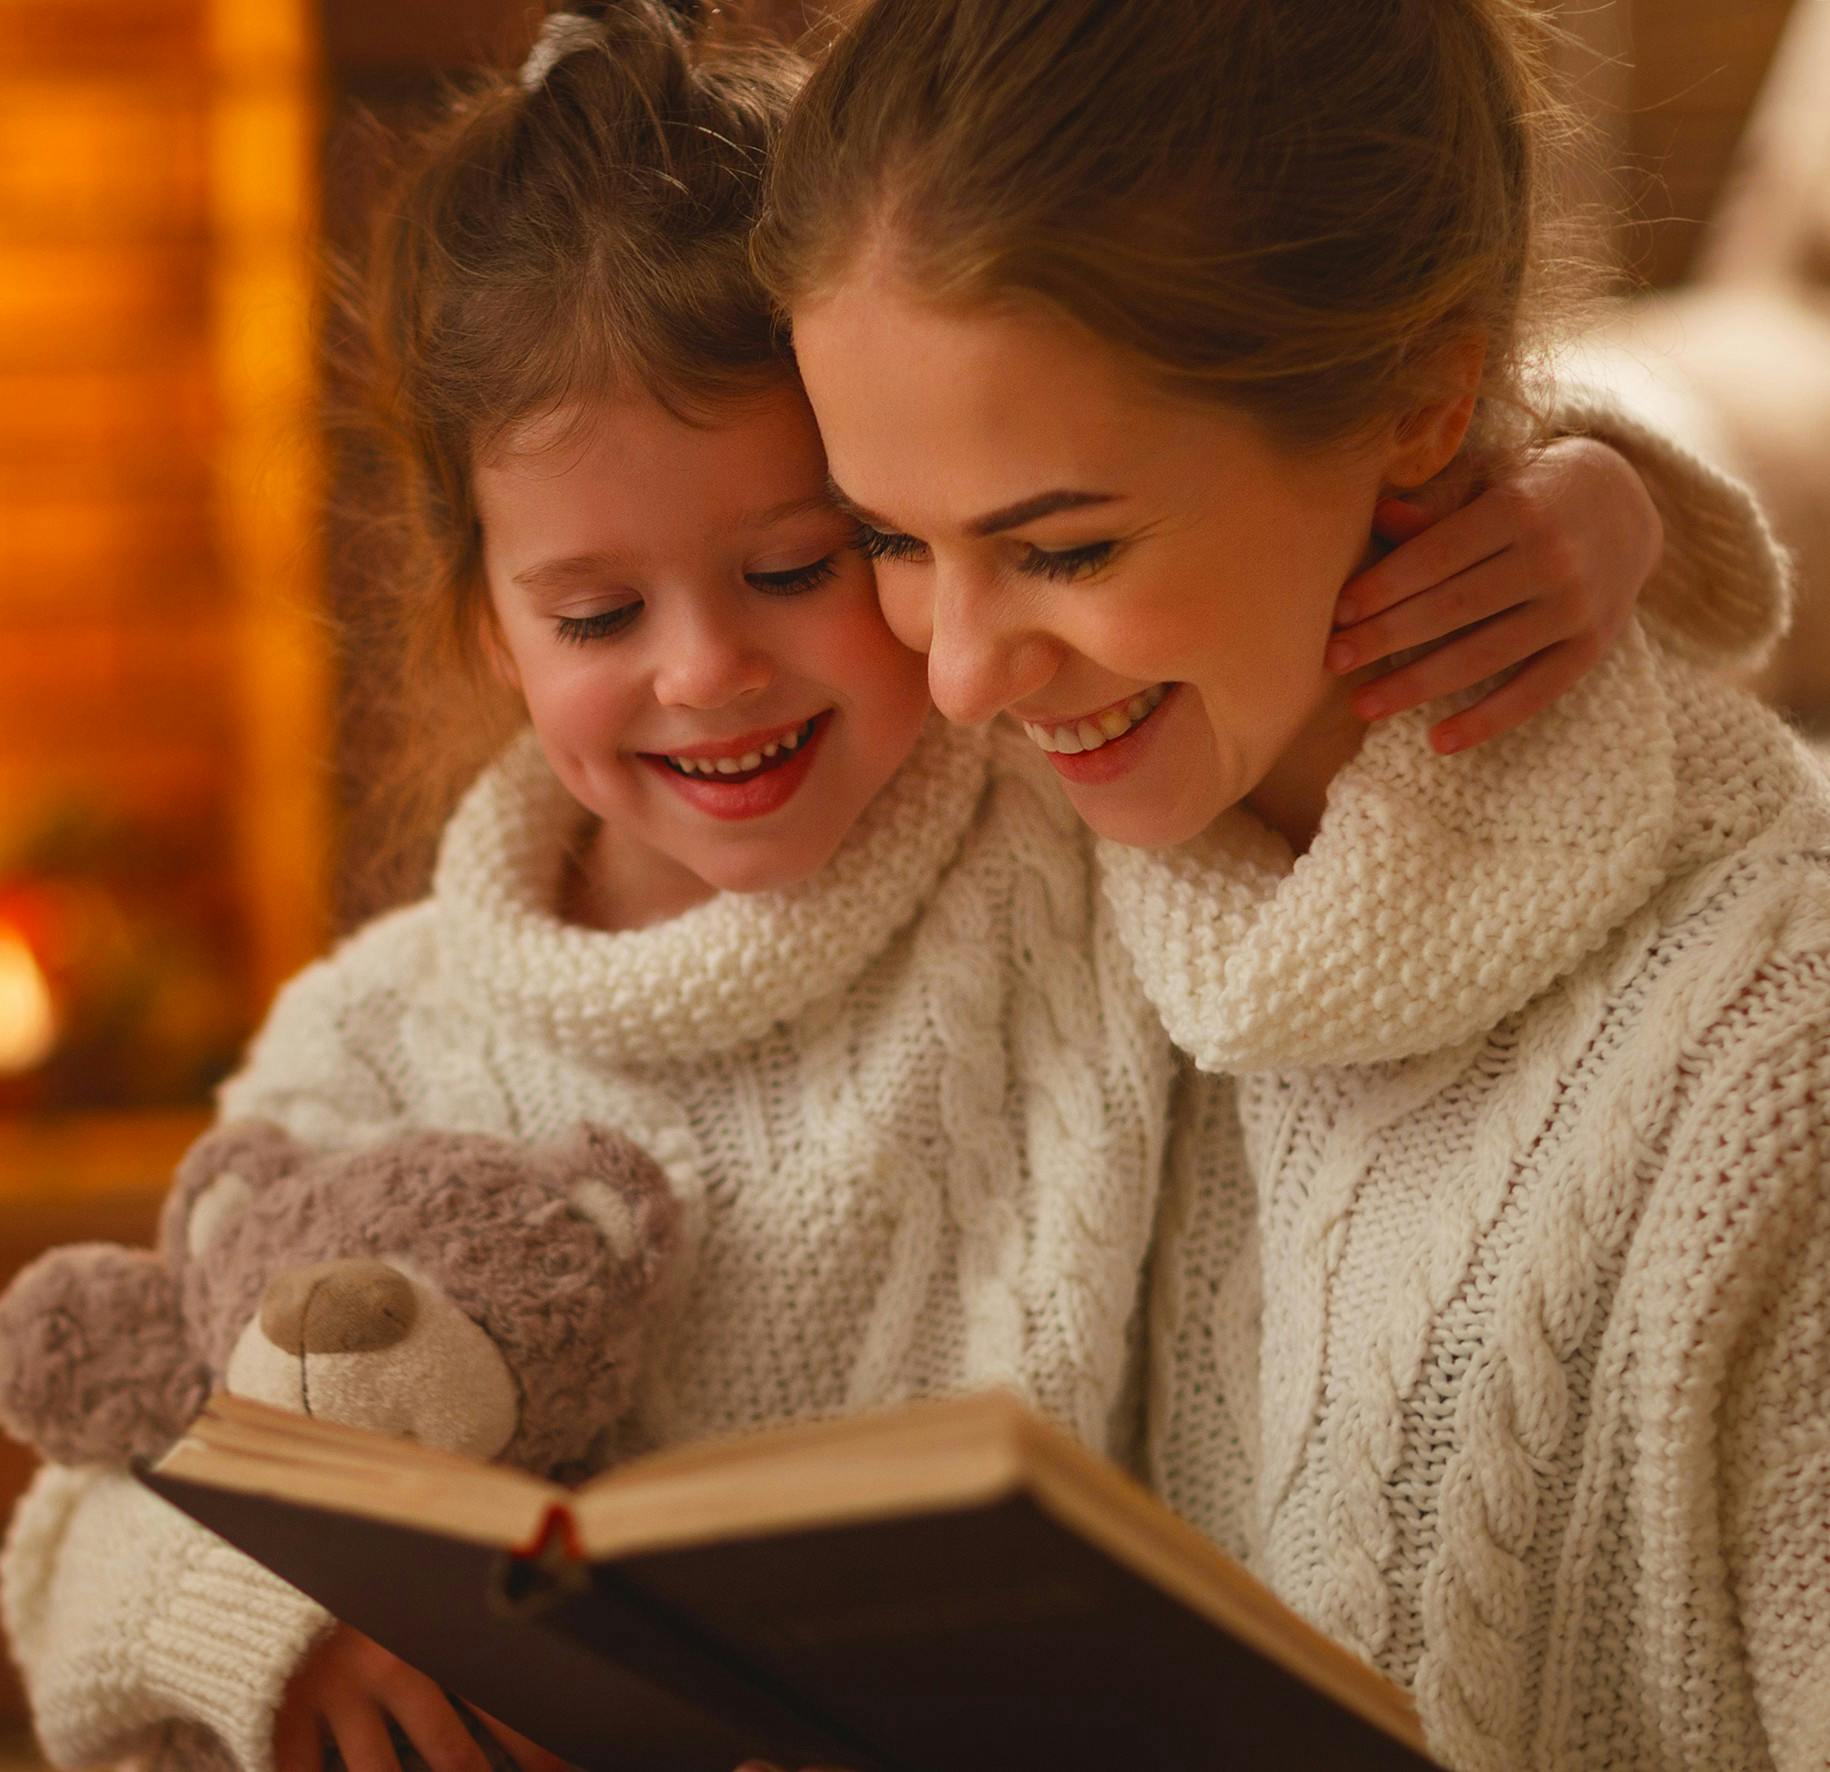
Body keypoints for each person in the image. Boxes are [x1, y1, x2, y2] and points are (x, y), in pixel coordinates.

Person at [0, 4, 1792, 1771]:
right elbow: (107, 1479)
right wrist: (268, 1620)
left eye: (805, 562)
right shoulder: (382, 1027)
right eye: (600, 615)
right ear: (484, 622)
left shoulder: (1044, 836)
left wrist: (1594, 497)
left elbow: (1305, 539)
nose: (716, 672)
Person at [756, 2, 1830, 1768]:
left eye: (1064, 547)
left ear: (1423, 399)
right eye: (888, 538)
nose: (956, 679)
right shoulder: (980, 852)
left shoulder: (1764, 1064)